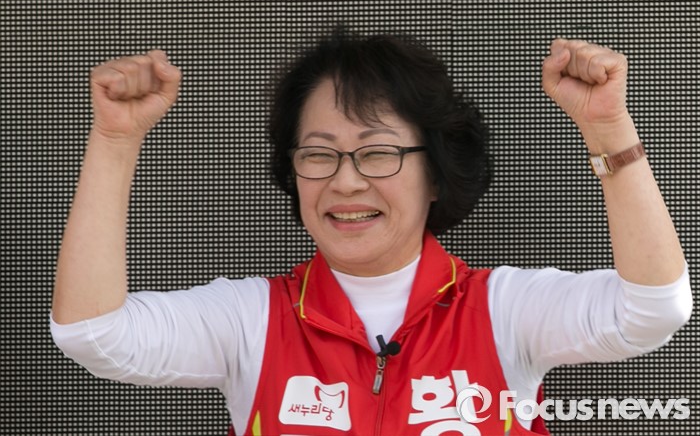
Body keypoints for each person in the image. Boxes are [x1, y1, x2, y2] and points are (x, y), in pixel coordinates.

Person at [51, 29, 692, 436]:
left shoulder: (503, 310)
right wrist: (115, 141)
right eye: (318, 154)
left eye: (378, 152)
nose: (346, 181)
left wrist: (607, 128)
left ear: (435, 174)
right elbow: (92, 333)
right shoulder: (251, 320)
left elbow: (652, 309)